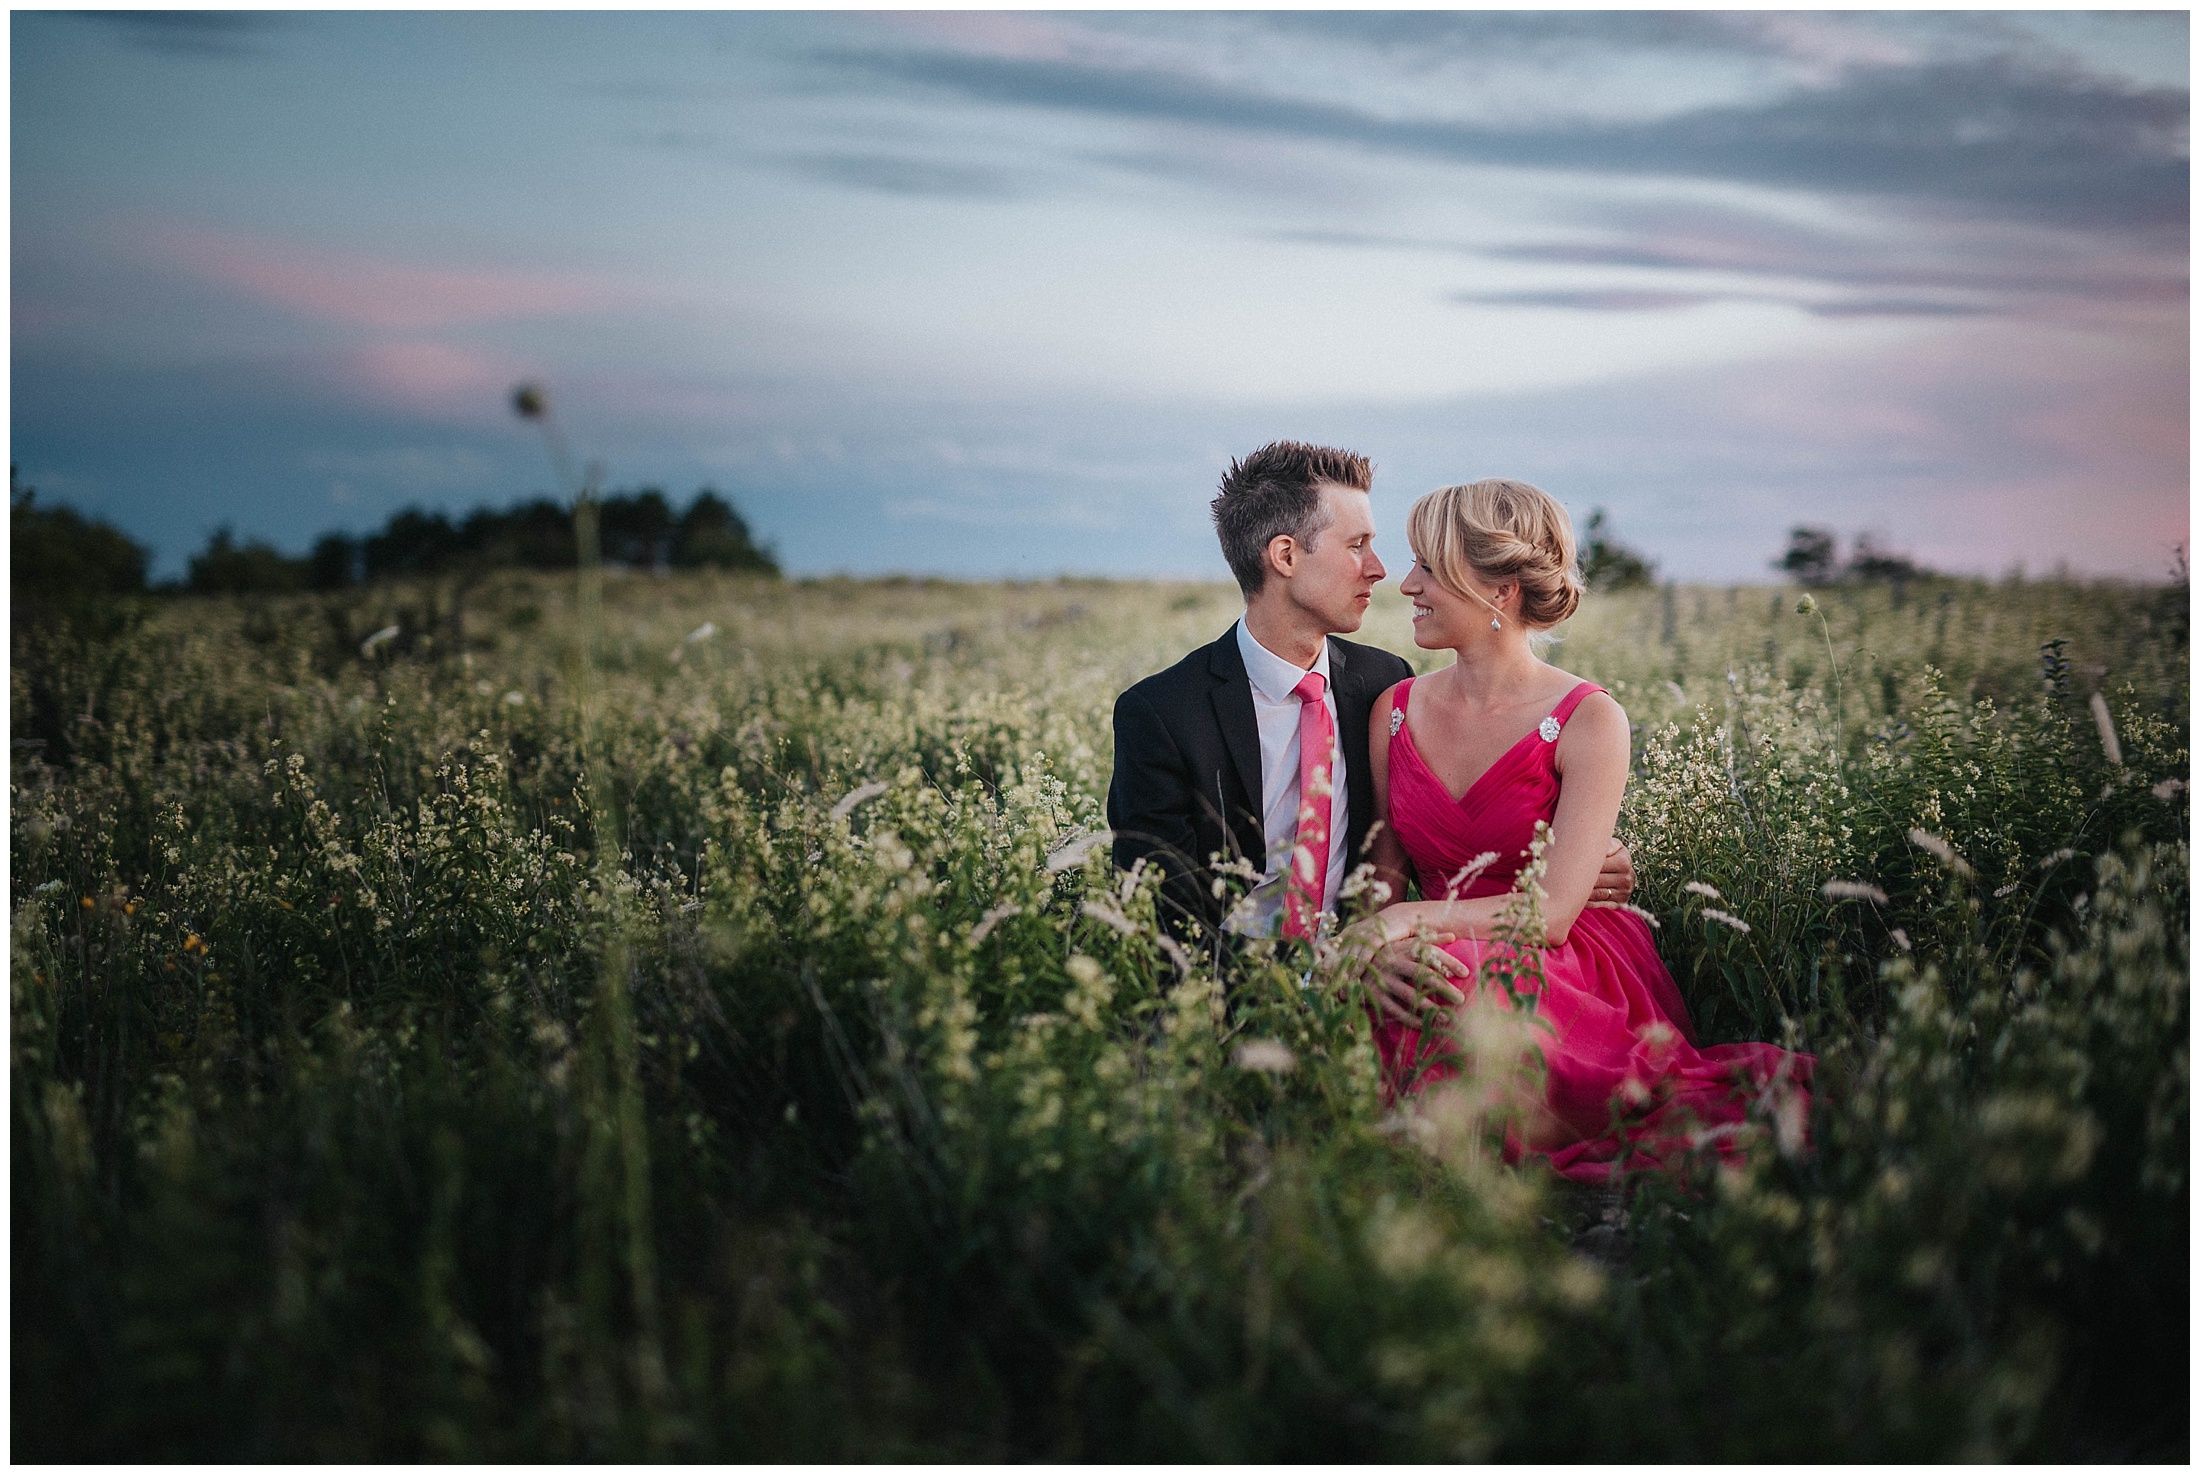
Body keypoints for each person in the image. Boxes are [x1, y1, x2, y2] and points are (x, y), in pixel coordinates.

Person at [1348, 477, 1813, 1179]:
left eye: (1430, 567)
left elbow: (1552, 913)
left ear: (1499, 588)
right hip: (1433, 937)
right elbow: (1379, 882)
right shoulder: (1394, 708)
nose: (1407, 583)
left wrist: (1410, 918)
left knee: (1466, 981)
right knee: (1399, 981)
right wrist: (1382, 944)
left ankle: (1474, 1149)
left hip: (1555, 953)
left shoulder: (1590, 718)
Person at [1107, 442, 1636, 991]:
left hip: (1411, 965)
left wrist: (1589, 857)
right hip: (1241, 992)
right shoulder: (1163, 715)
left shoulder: (1380, 685)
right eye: (1358, 545)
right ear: (1285, 557)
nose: (1385, 573)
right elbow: (1165, 921)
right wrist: (1328, 971)